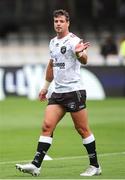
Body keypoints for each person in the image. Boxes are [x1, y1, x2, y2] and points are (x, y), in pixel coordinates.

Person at [16, 9, 102, 177]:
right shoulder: (53, 42)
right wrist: (45, 87)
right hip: (58, 92)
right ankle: (36, 165)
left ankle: (95, 166)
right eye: (56, 21)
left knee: (82, 129)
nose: (58, 24)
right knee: (47, 126)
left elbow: (84, 59)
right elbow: (51, 65)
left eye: (61, 21)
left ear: (67, 23)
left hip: (74, 91)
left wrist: (79, 53)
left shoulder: (74, 41)